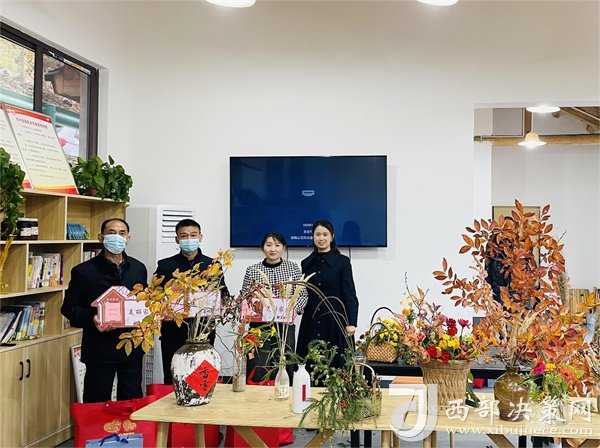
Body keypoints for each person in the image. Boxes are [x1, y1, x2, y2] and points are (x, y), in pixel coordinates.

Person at [61, 218, 148, 403]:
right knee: (96, 402)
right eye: (111, 233)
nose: (117, 237)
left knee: (131, 401)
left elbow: (144, 302)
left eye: (122, 233)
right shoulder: (84, 271)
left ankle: (128, 424)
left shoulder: (138, 268)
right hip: (99, 348)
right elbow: (68, 308)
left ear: (128, 238)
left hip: (131, 348)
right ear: (101, 237)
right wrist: (92, 318)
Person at [155, 218, 229, 385]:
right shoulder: (165, 265)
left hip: (203, 332)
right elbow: (155, 296)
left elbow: (223, 293)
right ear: (177, 239)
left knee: (201, 378)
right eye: (184, 236)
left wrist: (222, 306)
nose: (189, 239)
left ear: (200, 237)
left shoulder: (212, 265)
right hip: (173, 332)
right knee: (174, 377)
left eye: (193, 235)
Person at [240, 232, 308, 381]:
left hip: (285, 327)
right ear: (262, 247)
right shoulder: (252, 270)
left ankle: (284, 392)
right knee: (258, 366)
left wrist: (291, 310)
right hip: (259, 327)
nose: (273, 249)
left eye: (277, 245)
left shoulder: (292, 268)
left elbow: (302, 295)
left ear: (284, 248)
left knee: (284, 364)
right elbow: (245, 297)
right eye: (269, 245)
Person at [297, 219, 359, 369]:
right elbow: (303, 292)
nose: (321, 238)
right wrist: (298, 307)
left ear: (332, 236)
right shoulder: (306, 263)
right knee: (311, 361)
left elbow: (349, 292)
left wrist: (351, 322)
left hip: (335, 318)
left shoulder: (342, 262)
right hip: (311, 319)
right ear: (313, 237)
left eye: (325, 234)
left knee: (337, 361)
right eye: (317, 234)